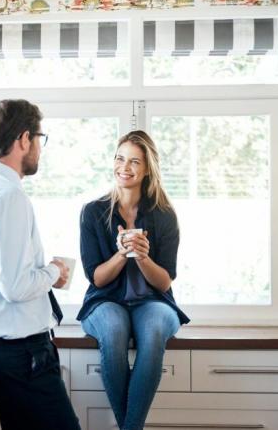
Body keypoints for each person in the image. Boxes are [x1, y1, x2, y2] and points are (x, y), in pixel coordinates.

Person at [0, 99, 81, 430]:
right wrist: (54, 271)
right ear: (24, 139)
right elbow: (16, 286)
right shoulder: (9, 197)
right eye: (40, 139)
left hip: (3, 352)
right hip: (22, 354)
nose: (40, 148)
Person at [77, 130, 190, 430]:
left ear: (147, 169)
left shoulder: (164, 216)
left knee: (154, 332)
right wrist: (120, 255)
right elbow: (97, 279)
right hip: (105, 301)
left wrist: (142, 257)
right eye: (120, 158)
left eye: (134, 162)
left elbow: (165, 282)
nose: (124, 167)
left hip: (153, 301)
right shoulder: (93, 212)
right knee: (113, 329)